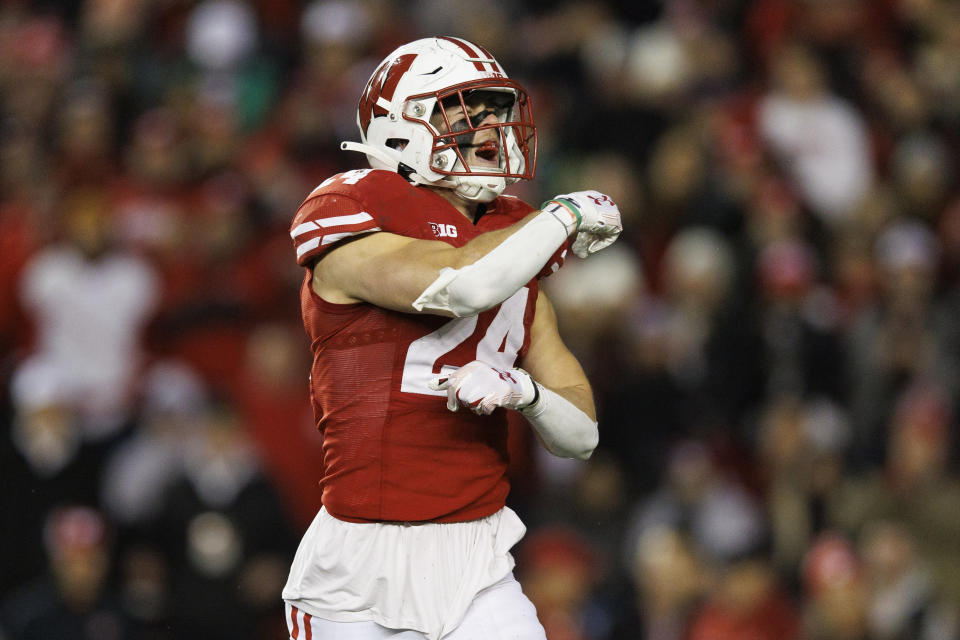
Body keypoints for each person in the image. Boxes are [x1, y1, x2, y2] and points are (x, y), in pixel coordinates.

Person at [281, 36, 623, 640]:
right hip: (361, 566)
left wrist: (525, 393)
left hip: (478, 560)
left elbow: (583, 436)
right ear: (400, 130)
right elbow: (459, 283)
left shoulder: (518, 237)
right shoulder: (353, 206)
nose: (492, 125)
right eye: (467, 108)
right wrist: (563, 218)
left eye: (496, 108)